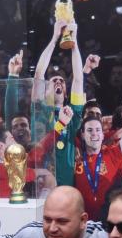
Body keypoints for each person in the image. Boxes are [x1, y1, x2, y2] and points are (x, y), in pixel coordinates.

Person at [75, 81, 122, 219]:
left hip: (109, 222)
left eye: (98, 130)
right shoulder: (74, 157)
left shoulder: (113, 153)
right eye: (89, 130)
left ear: (102, 134)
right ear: (82, 134)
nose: (94, 133)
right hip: (82, 223)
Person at [32, 17, 85, 187]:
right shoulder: (40, 109)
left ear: (66, 93)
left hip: (67, 184)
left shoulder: (73, 114)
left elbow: (78, 78)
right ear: (45, 90)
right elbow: (39, 75)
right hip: (43, 182)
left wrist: (74, 43)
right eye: (53, 81)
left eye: (61, 81)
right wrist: (55, 38)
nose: (58, 82)